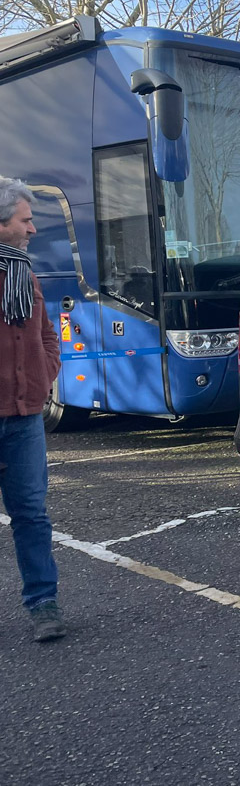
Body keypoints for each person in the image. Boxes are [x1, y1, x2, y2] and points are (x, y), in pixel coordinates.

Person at [0, 177, 65, 641]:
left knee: (31, 515)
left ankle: (44, 605)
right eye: (25, 220)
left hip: (24, 418)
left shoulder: (25, 271)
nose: (33, 228)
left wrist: (45, 373)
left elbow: (45, 334)